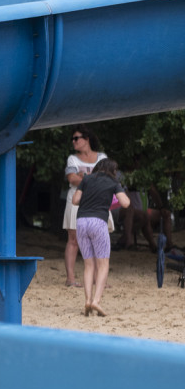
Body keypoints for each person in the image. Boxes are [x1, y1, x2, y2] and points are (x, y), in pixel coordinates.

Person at [72, 158, 130, 317]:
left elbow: (75, 200)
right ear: (113, 170)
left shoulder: (87, 179)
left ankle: (87, 300)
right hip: (98, 222)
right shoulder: (113, 182)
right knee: (103, 264)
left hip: (81, 222)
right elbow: (125, 203)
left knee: (88, 265)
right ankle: (96, 301)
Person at [62, 126, 107, 287]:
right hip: (76, 199)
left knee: (98, 238)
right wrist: (93, 178)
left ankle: (98, 278)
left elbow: (106, 177)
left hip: (96, 200)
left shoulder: (101, 157)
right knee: (73, 239)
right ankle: (71, 278)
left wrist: (84, 177)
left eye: (76, 138)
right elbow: (72, 179)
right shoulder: (72, 159)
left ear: (86, 139)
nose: (73, 142)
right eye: (72, 139)